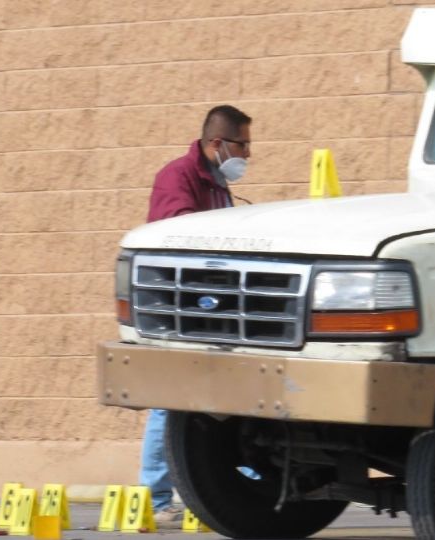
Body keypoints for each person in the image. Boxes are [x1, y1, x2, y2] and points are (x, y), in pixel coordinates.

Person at [140, 104, 252, 529]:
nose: (248, 155)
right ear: (216, 143)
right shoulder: (178, 177)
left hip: (212, 305)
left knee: (228, 398)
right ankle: (155, 499)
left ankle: (232, 487)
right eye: (243, 144)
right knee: (171, 401)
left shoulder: (218, 182)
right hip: (177, 306)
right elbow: (175, 232)